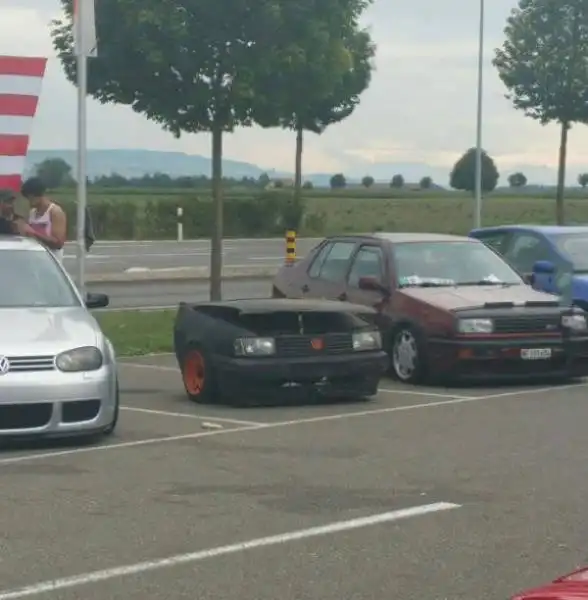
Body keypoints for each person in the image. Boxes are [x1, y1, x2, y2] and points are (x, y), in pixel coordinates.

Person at [20, 177, 67, 262]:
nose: (28, 201)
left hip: (51, 260)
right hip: (35, 259)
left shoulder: (55, 212)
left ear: (37, 195)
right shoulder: (32, 212)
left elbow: (58, 243)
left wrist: (34, 233)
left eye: (29, 197)